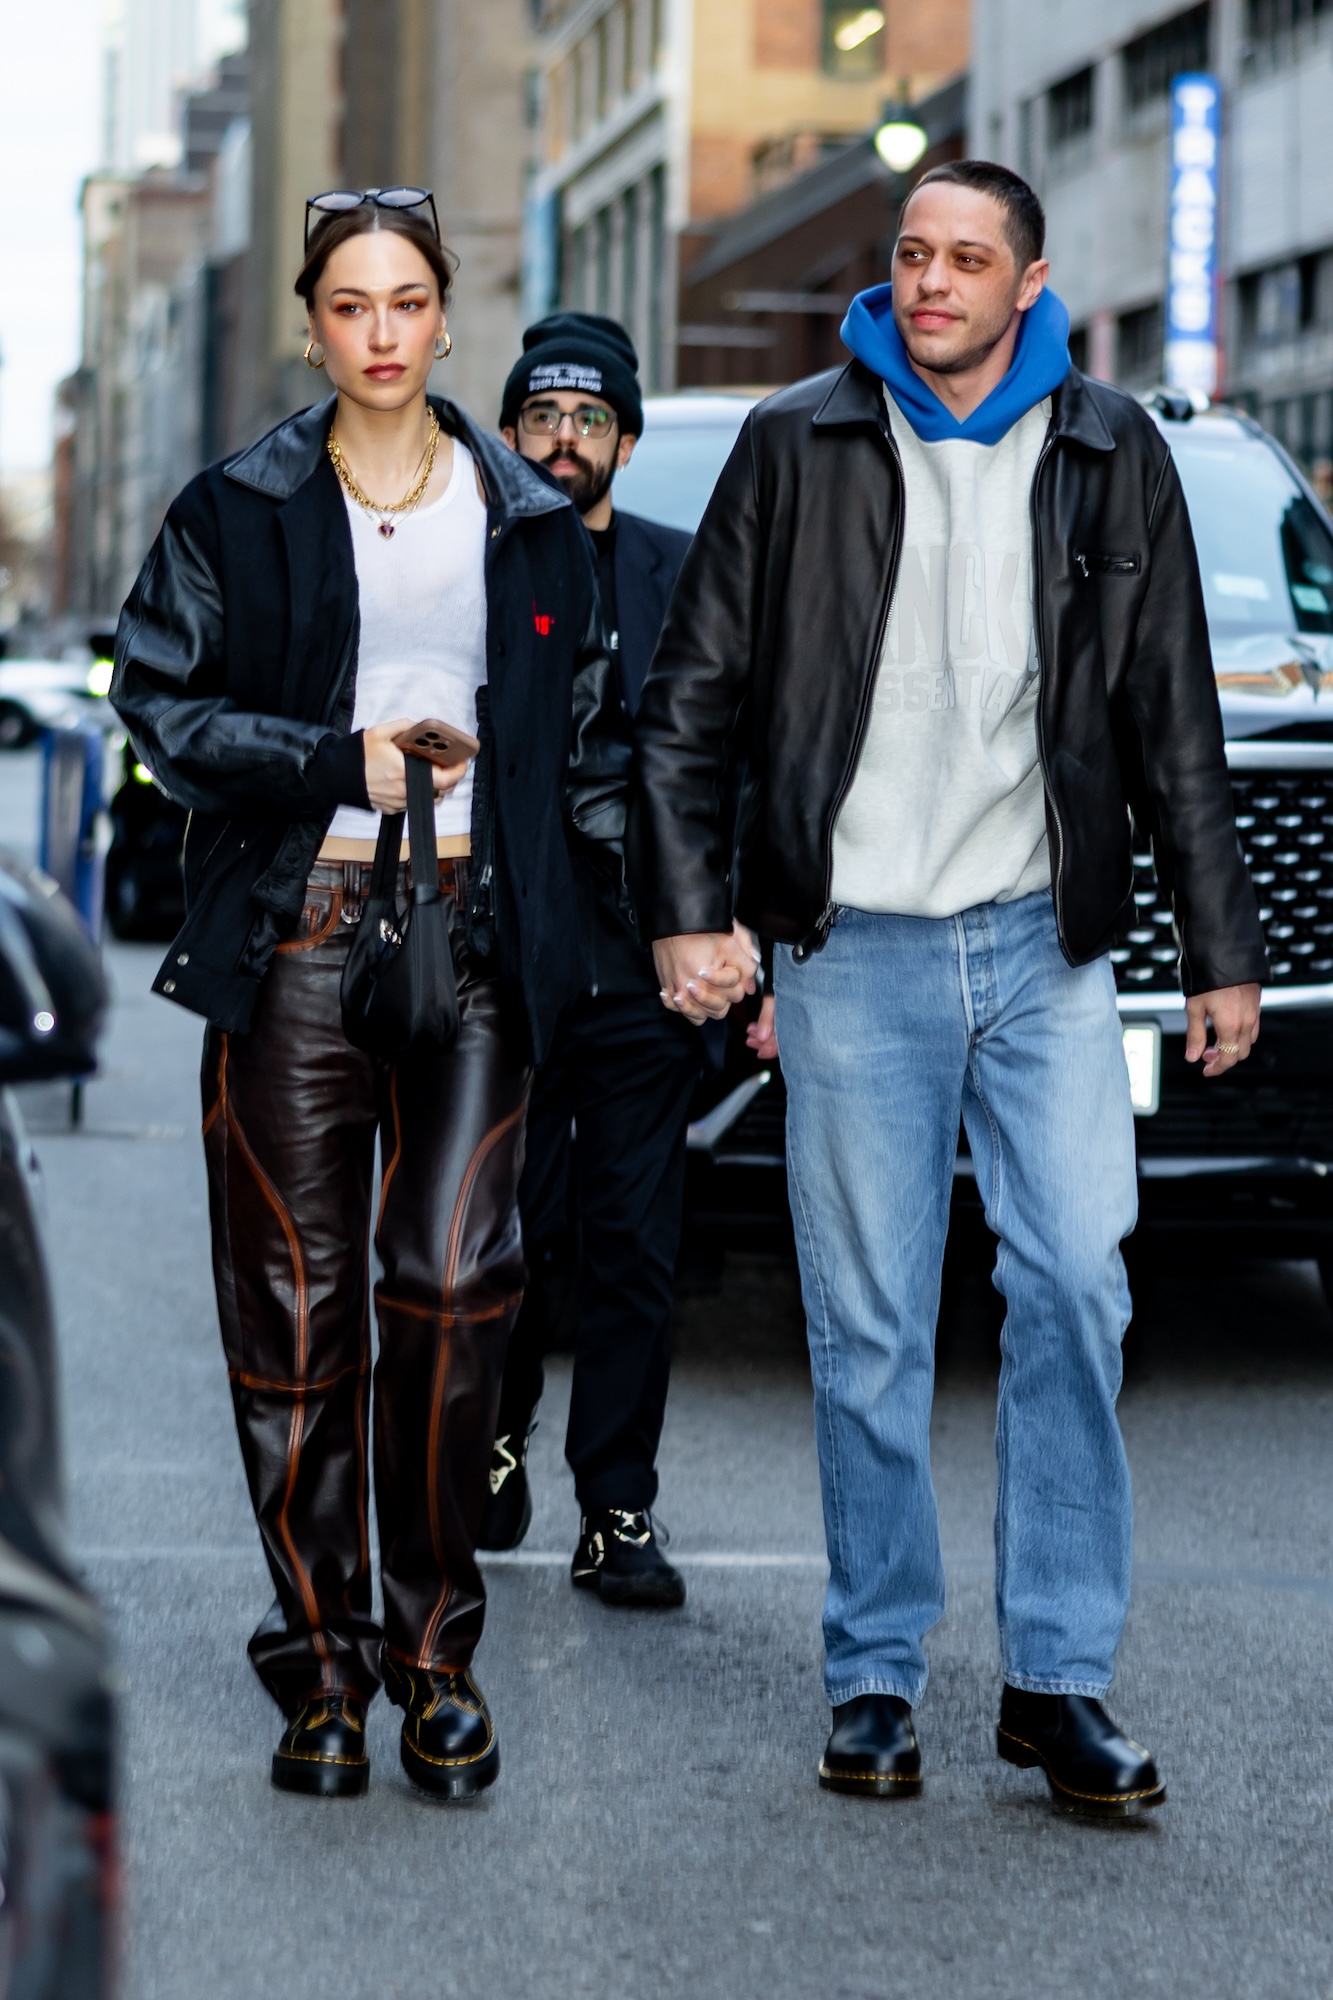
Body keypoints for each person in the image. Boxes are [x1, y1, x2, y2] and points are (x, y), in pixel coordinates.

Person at [630, 160, 1267, 1816]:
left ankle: (1054, 1679)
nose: (930, 281)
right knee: (866, 1328)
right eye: (911, 254)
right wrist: (693, 912)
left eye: (965, 258)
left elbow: (1172, 718)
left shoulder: (1112, 454)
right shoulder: (797, 443)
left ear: (1029, 280)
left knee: (1075, 1285)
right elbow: (690, 700)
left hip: (1043, 951)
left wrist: (1219, 949)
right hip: (854, 953)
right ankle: (873, 1671)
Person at [111, 188, 626, 1801]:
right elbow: (162, 705)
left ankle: (433, 1652)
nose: (384, 333)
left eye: (410, 302)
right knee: (294, 1314)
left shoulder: (524, 513)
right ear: (314, 323)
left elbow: (592, 728)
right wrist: (341, 764)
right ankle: (320, 1662)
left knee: (458, 1285)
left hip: (471, 928)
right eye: (352, 305)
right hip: (298, 929)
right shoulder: (236, 506)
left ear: (447, 319)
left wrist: (680, 918)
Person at [481, 312, 698, 1608]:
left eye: (590, 420)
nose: (565, 442)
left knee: (634, 1247)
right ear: (510, 434)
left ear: (624, 436)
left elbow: (726, 766)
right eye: (543, 419)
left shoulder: (680, 570)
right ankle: (488, 1442)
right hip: (497, 972)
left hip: (645, 975)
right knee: (502, 1237)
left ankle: (616, 1506)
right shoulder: (468, 571)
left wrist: (746, 949)